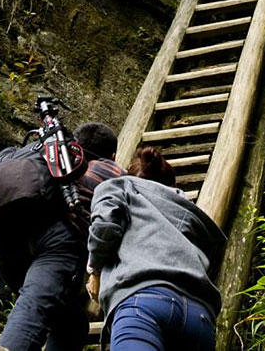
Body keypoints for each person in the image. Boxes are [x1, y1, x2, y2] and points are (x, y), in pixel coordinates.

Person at [0, 122, 126, 351]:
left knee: (71, 324)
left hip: (12, 241)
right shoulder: (111, 172)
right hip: (58, 243)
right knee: (34, 310)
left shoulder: (56, 161)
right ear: (113, 155)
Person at [86, 146, 227, 351]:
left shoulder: (118, 185)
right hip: (199, 314)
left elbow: (105, 226)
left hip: (142, 301)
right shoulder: (187, 210)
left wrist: (95, 270)